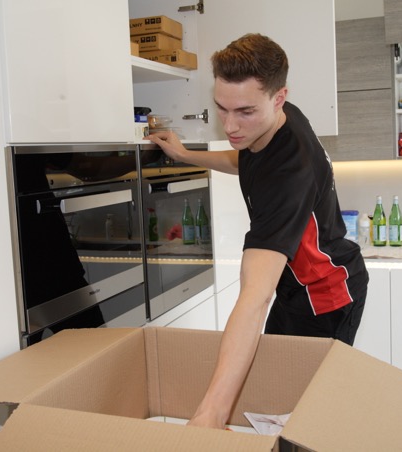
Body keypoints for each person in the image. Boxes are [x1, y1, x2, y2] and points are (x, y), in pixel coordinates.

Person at [147, 33, 368, 430]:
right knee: (272, 398)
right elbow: (244, 157)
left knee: (304, 415)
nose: (230, 125)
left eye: (244, 112)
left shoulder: (288, 175)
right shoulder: (274, 121)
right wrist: (185, 155)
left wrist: (210, 414)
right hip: (293, 284)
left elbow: (254, 295)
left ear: (278, 97)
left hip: (325, 294)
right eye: (222, 109)